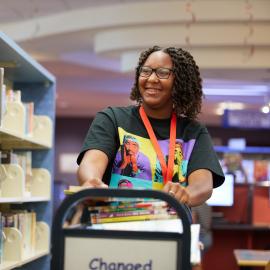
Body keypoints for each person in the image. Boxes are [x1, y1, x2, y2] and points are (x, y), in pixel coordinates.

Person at [76, 46, 225, 217]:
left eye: (162, 72)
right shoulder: (112, 119)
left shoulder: (193, 132)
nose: (152, 78)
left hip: (171, 232)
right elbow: (92, 161)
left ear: (180, 81)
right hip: (114, 226)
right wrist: (91, 180)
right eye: (145, 71)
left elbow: (203, 184)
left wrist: (186, 193)